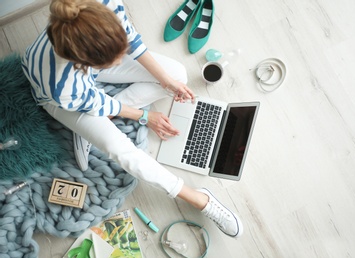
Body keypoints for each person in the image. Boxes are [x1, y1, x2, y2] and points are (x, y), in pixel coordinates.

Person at [21, 0, 243, 238]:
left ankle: (90, 130)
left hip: (86, 73)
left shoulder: (102, 3)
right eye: (114, 60)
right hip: (59, 99)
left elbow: (132, 40)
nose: (120, 60)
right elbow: (101, 104)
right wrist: (145, 116)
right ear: (86, 63)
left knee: (177, 74)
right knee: (122, 151)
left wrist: (166, 80)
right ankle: (200, 199)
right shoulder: (61, 87)